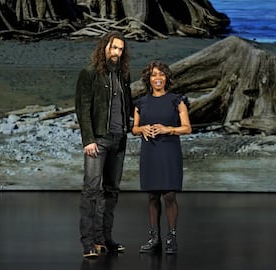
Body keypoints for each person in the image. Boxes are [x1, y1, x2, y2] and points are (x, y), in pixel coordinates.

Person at [75, 31, 133, 258]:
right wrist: (88, 139)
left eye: (120, 49)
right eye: (113, 47)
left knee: (111, 191)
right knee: (92, 189)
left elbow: (126, 105)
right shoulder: (90, 73)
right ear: (104, 48)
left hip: (119, 140)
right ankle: (88, 242)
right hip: (98, 140)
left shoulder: (123, 75)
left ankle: (104, 238)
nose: (116, 52)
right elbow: (83, 108)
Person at [132, 60, 192, 254]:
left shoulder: (177, 100)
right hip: (150, 151)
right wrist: (141, 129)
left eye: (161, 75)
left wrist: (169, 129)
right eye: (154, 75)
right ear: (148, 79)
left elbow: (187, 128)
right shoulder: (141, 102)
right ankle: (154, 238)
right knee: (152, 195)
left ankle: (171, 238)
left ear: (167, 78)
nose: (158, 78)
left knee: (169, 195)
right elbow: (134, 128)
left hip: (169, 151)